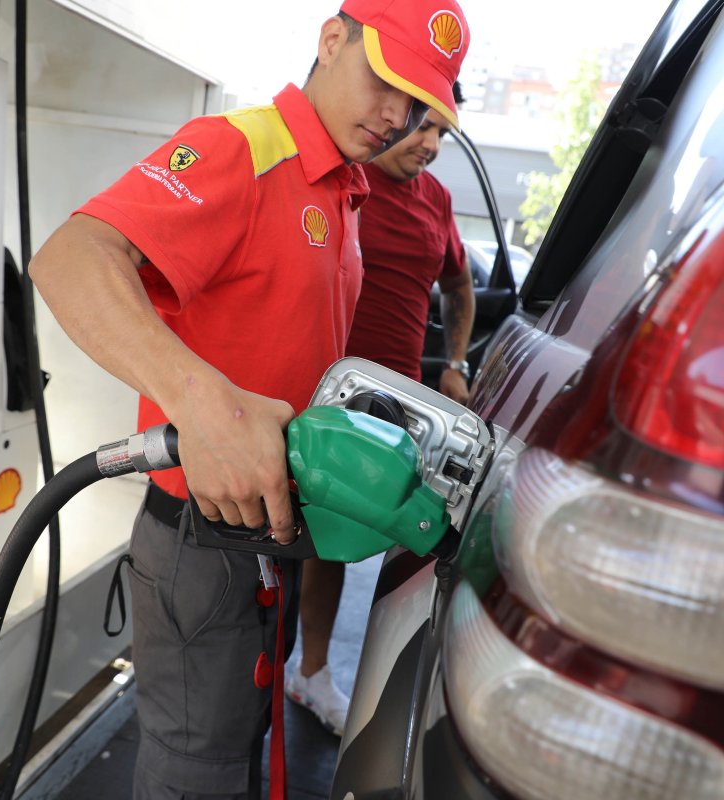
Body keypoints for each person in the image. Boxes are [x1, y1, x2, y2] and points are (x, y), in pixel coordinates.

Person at [28, 0, 471, 798]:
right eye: (387, 83)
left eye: (417, 104)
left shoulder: (343, 187)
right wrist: (202, 403)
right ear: (331, 41)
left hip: (267, 535)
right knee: (198, 770)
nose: (397, 117)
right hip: (202, 542)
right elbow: (69, 258)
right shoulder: (242, 148)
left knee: (236, 746)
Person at [285, 83, 475, 737]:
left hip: (400, 410)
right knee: (296, 540)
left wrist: (456, 362)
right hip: (322, 396)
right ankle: (290, 671)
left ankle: (321, 677)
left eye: (443, 132)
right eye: (424, 125)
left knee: (354, 544)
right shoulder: (345, 176)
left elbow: (458, 284)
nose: (432, 143)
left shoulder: (437, 200)